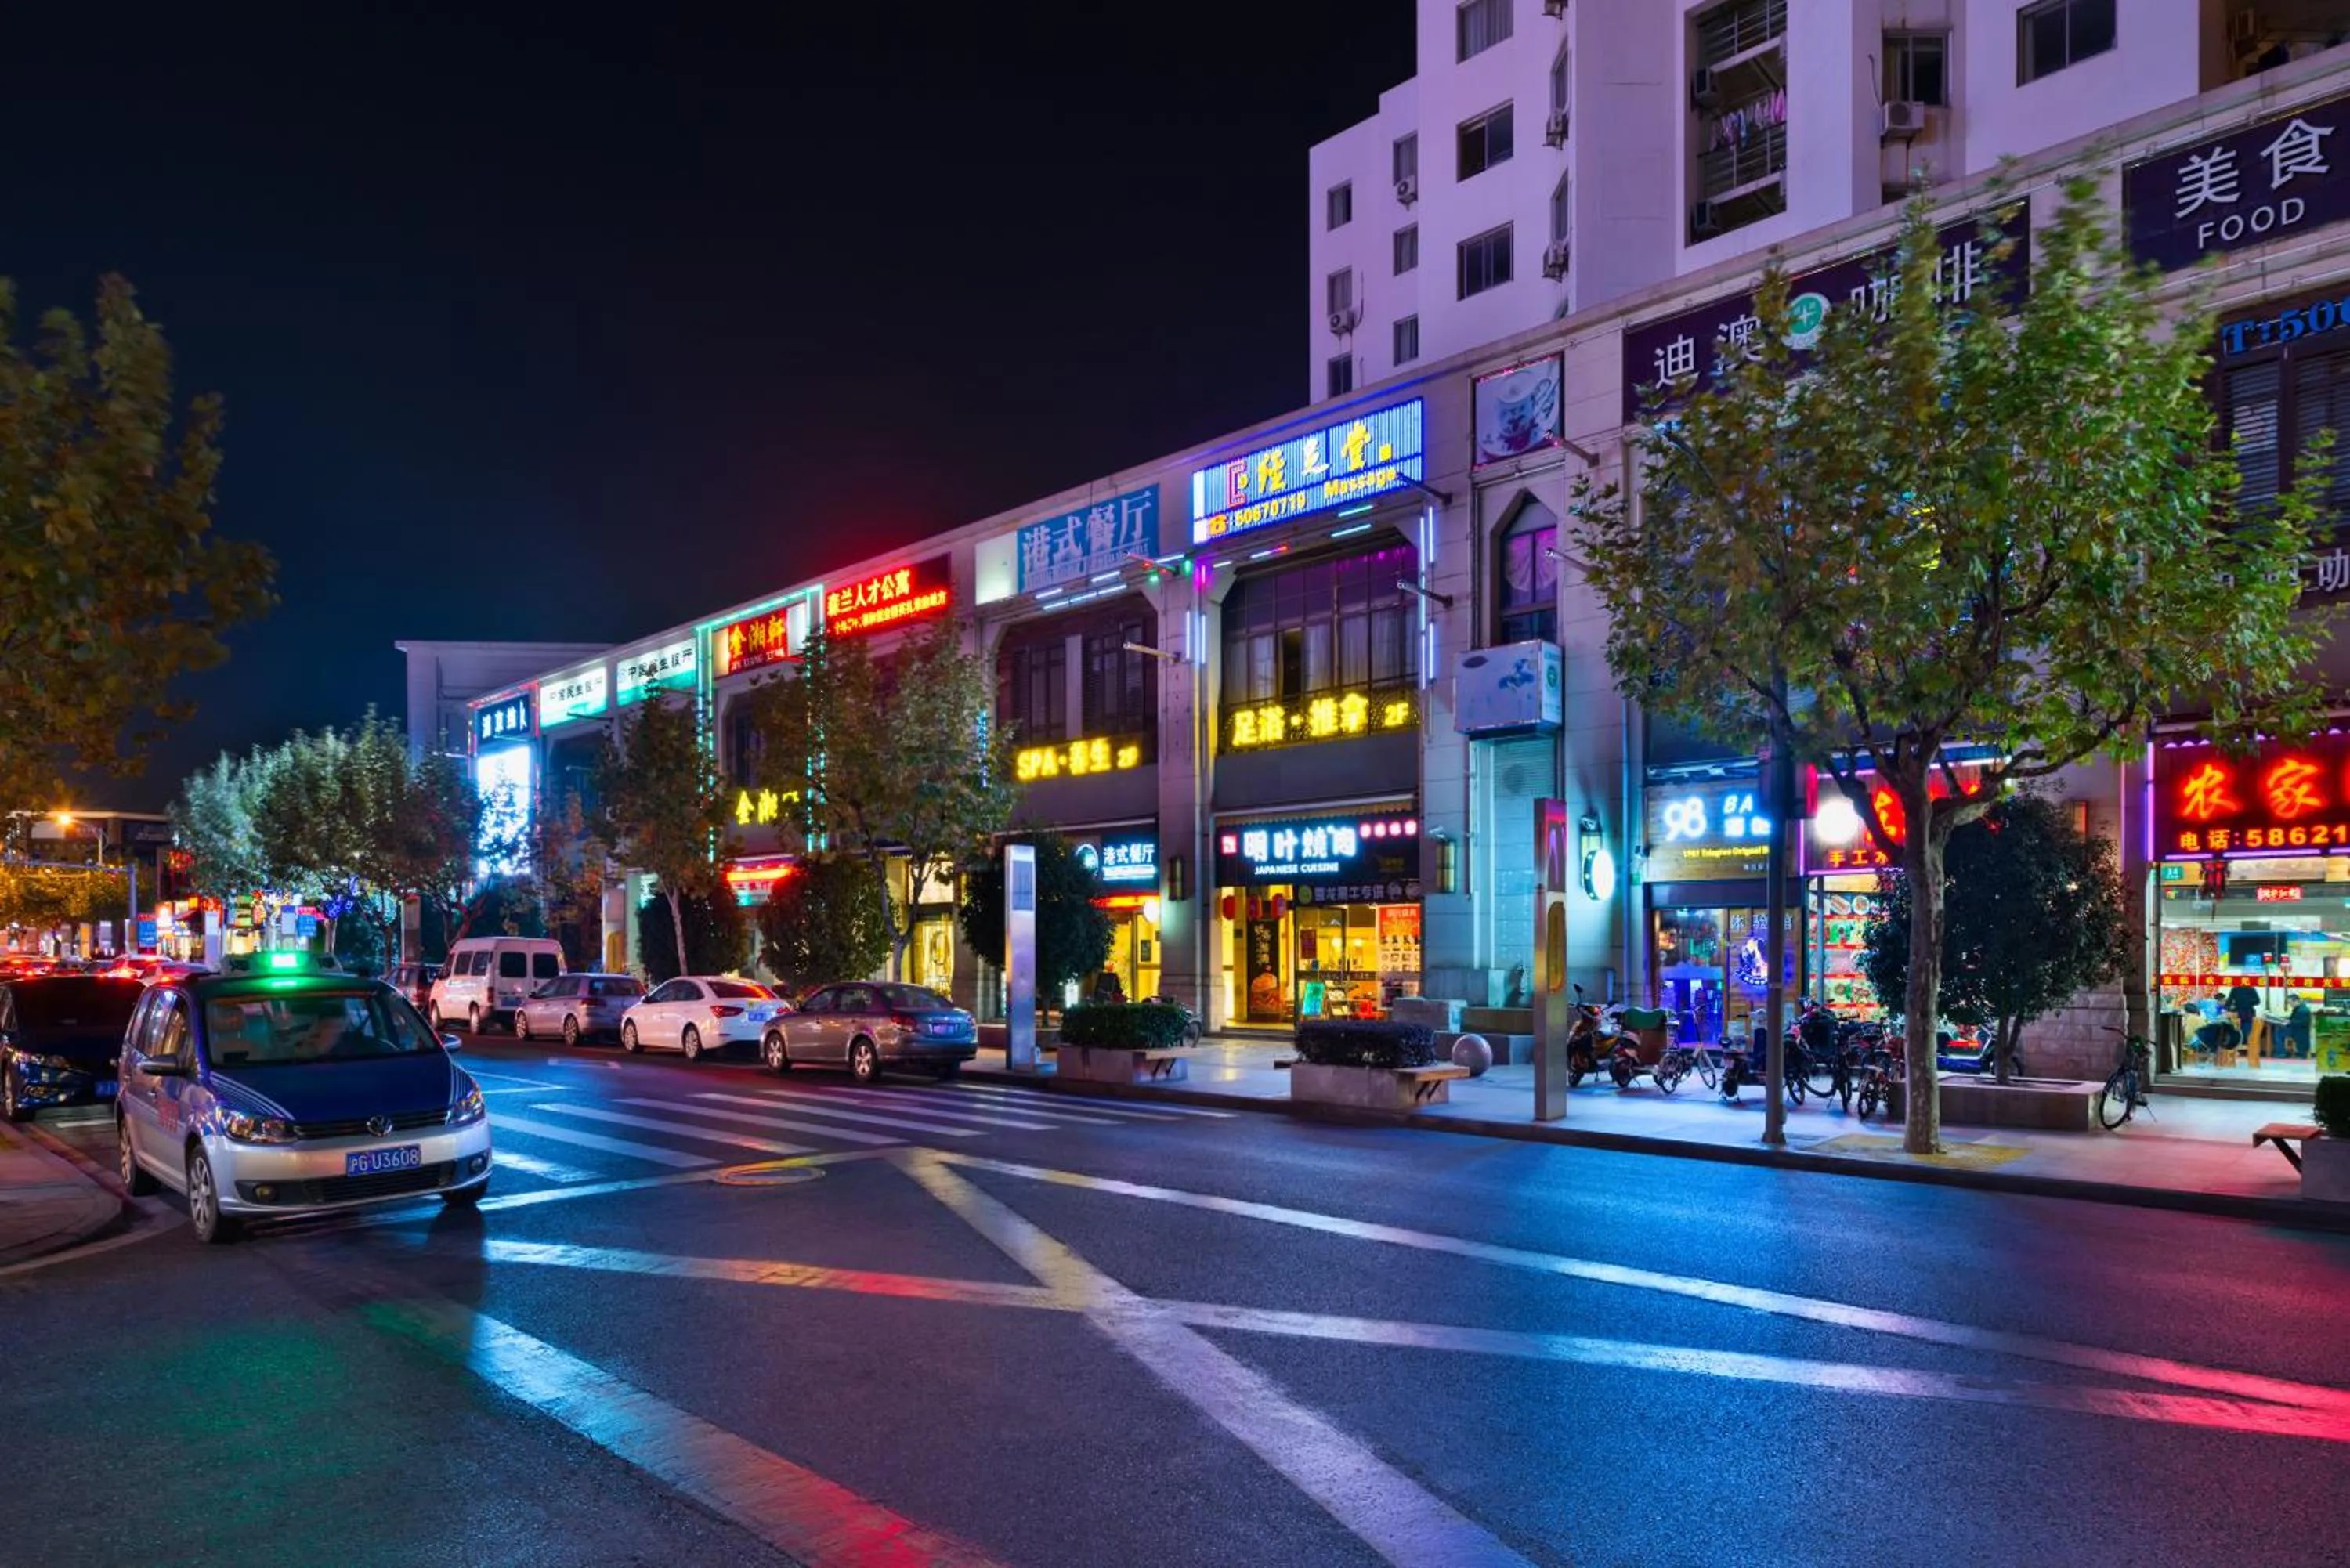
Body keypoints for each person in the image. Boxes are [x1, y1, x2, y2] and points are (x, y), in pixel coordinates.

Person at [2224, 981, 2261, 1055]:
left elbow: (2230, 1000)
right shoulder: (2251, 989)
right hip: (2248, 1013)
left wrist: (2227, 1008)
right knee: (2248, 1031)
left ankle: (2237, 1049)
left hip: (2237, 1013)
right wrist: (2248, 1003)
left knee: (2237, 1030)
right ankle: (2247, 1050)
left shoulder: (2235, 989)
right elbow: (2257, 1001)